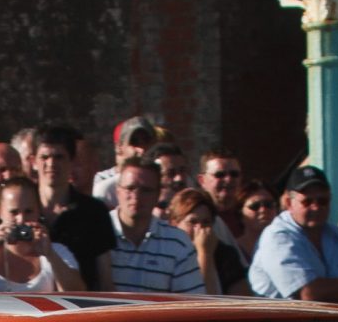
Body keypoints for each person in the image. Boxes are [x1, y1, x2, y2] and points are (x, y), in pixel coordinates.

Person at [248, 167, 338, 306]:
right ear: (289, 203)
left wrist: (332, 297)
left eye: (323, 201)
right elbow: (309, 294)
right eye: (307, 202)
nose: (316, 207)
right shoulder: (277, 237)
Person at [0, 179, 83, 294]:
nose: (21, 220)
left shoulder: (57, 251)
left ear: (39, 211)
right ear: (0, 212)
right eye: (14, 212)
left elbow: (77, 294)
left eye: (28, 212)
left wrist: (50, 255)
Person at [31, 125, 114, 288]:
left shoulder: (94, 212)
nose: (51, 163)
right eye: (44, 157)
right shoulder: (21, 208)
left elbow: (105, 280)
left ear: (72, 160)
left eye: (59, 157)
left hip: (80, 306)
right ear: (34, 162)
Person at [102, 162, 201, 293]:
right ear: (118, 191)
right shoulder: (96, 232)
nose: (136, 196)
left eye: (146, 190)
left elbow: (190, 302)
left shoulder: (177, 242)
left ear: (158, 194)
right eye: (130, 188)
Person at [167, 187, 248, 294]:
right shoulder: (167, 252)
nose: (200, 228)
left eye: (206, 222)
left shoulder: (226, 255)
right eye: (193, 222)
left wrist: (205, 254)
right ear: (175, 223)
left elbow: (239, 297)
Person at [92, 117, 167, 203]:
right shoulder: (102, 182)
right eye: (134, 142)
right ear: (119, 147)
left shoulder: (166, 178)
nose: (141, 148)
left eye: (146, 141)